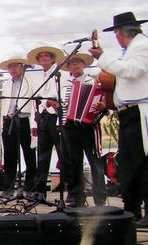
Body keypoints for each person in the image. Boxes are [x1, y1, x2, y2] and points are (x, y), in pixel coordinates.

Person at [89, 11, 148, 225]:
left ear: (120, 33)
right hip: (127, 113)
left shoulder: (142, 46)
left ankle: (142, 210)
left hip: (139, 112)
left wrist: (102, 57)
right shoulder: (132, 49)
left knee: (142, 163)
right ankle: (132, 210)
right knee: (129, 164)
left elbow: (131, 71)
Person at [59, 53, 107, 207]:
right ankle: (76, 196)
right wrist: (59, 106)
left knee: (95, 162)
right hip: (70, 126)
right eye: (72, 63)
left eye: (79, 62)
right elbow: (62, 104)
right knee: (74, 162)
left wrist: (101, 106)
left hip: (88, 125)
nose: (76, 65)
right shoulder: (64, 84)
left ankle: (100, 197)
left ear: (84, 65)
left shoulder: (93, 82)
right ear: (68, 67)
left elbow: (102, 101)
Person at [26, 46, 68, 199]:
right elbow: (34, 102)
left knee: (63, 154)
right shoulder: (38, 78)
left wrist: (53, 102)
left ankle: (67, 189)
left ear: (52, 58)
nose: (44, 58)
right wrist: (34, 124)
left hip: (56, 117)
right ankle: (40, 190)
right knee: (42, 156)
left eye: (46, 56)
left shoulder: (62, 74)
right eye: (41, 56)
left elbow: (64, 95)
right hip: (42, 117)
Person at [0, 57, 37, 196]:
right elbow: (4, 104)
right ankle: (8, 187)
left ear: (22, 67)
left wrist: (34, 122)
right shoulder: (7, 84)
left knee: (29, 154)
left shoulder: (30, 81)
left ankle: (30, 187)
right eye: (10, 67)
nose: (13, 69)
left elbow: (34, 103)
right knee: (9, 156)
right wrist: (3, 123)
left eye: (16, 66)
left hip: (24, 119)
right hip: (9, 120)